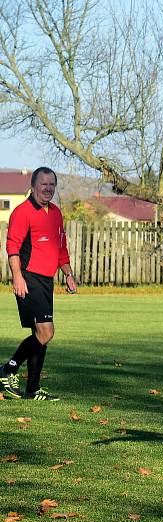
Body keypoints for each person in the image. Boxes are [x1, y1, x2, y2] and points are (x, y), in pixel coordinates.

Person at [0, 167, 77, 401]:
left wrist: (68, 274)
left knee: (39, 334)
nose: (48, 189)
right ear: (33, 186)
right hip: (29, 277)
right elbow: (12, 246)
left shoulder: (55, 213)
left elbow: (61, 247)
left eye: (52, 184)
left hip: (46, 280)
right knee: (46, 332)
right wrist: (18, 276)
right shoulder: (22, 212)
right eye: (43, 184)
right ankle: (8, 369)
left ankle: (32, 390)